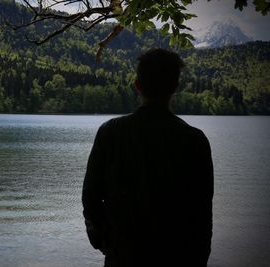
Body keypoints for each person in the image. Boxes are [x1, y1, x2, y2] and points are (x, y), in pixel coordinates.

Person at [82, 48, 214, 267]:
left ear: (137, 86)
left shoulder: (110, 132)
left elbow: (91, 197)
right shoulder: (195, 140)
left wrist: (104, 241)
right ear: (175, 87)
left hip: (122, 257)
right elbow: (202, 213)